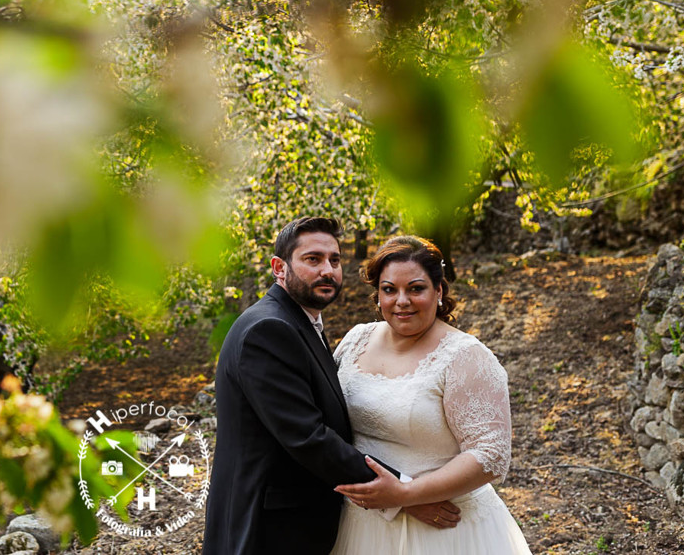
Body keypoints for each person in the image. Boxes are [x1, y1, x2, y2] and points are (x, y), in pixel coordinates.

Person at [202, 217, 458, 555]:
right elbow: (308, 437)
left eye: (334, 260)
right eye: (313, 259)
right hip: (268, 531)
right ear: (279, 268)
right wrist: (400, 492)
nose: (328, 270)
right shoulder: (269, 330)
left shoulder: (299, 321)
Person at [330, 235, 532, 554]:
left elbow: (490, 454)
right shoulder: (356, 339)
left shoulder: (465, 357)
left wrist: (407, 494)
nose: (402, 300)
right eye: (389, 289)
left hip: (443, 531)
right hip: (358, 521)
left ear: (438, 291)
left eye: (415, 288)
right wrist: (393, 501)